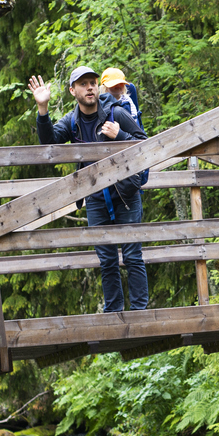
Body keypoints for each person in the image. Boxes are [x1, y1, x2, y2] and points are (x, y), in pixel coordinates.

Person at [28, 66, 149, 312]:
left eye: (93, 82)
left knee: (132, 255)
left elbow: (146, 145)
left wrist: (121, 135)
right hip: (95, 199)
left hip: (126, 194)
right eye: (83, 84)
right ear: (73, 91)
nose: (90, 87)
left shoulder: (116, 114)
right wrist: (42, 108)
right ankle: (113, 314)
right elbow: (49, 144)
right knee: (107, 260)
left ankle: (139, 313)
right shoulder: (71, 121)